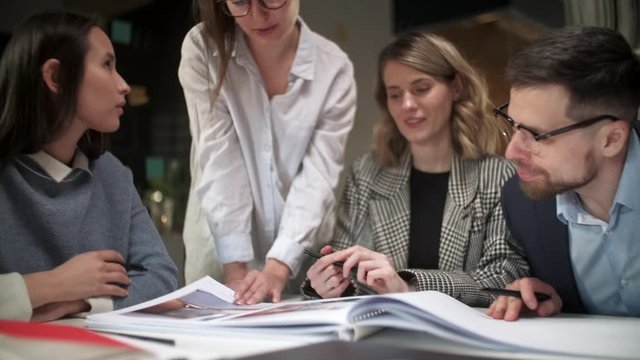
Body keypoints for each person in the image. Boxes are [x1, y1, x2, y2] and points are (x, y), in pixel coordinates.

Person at [301, 31, 529, 307]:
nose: (407, 105)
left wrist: (408, 284)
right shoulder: (367, 174)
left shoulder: (498, 176)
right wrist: (328, 283)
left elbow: (504, 277)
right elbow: (345, 270)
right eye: (395, 95)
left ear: (456, 87)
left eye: (421, 89)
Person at [0, 11, 178, 322]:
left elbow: (161, 277)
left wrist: (80, 303)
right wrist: (55, 284)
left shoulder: (113, 174)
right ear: (56, 77)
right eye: (107, 65)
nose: (123, 85)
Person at [178, 0, 356, 305]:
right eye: (240, 2)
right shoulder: (203, 48)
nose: (258, 14)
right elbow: (220, 160)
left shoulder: (333, 68)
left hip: (300, 251)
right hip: (218, 246)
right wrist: (235, 272)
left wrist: (278, 268)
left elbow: (317, 179)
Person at [487, 26, 640, 320]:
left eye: (537, 135)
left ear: (611, 140)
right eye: (514, 126)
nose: (511, 153)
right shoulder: (521, 201)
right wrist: (542, 297)